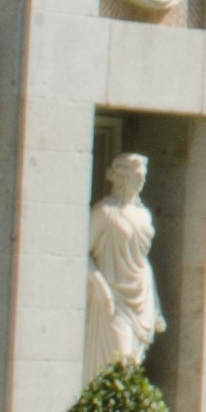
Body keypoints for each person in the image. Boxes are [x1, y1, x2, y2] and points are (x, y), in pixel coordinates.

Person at [87, 151, 166, 370]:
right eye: (136, 177)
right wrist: (101, 288)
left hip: (141, 294)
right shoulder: (104, 212)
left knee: (133, 363)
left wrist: (156, 307)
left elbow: (144, 264)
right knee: (118, 361)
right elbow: (82, 254)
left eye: (143, 177)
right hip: (114, 295)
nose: (141, 182)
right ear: (122, 177)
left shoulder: (144, 214)